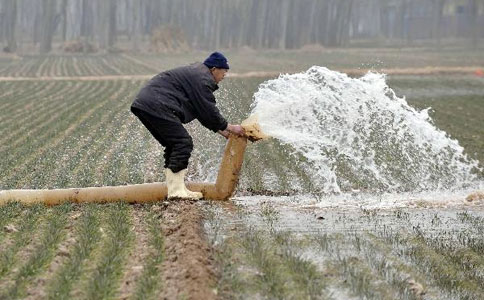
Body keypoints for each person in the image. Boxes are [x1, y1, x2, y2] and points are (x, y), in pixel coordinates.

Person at [131, 52, 245, 200]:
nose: (225, 75)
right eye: (224, 71)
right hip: (157, 104)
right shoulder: (202, 79)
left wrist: (221, 131)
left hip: (148, 104)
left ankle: (175, 188)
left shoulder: (198, 75)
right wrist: (231, 127)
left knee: (174, 144)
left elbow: (201, 111)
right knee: (182, 143)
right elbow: (208, 110)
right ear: (214, 69)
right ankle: (176, 191)